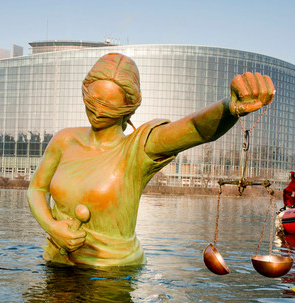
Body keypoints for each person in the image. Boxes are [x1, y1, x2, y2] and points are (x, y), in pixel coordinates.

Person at [27, 52, 275, 267]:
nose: (99, 110)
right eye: (93, 102)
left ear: (129, 107)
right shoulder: (64, 140)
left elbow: (195, 129)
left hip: (110, 276)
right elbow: (36, 189)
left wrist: (229, 107)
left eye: (109, 105)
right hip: (57, 264)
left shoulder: (137, 149)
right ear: (84, 91)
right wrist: (52, 227)